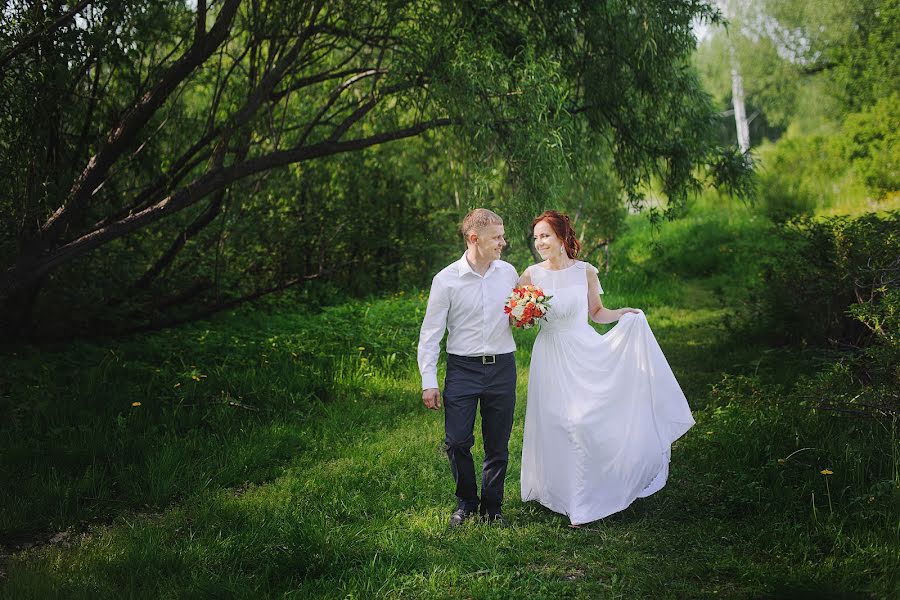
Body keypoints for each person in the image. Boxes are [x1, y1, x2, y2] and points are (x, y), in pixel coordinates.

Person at [519, 210, 695, 526]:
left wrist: (623, 315)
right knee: (559, 422)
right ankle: (565, 494)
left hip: (582, 349)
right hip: (549, 355)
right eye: (536, 238)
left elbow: (596, 312)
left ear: (561, 237)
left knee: (583, 421)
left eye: (545, 235)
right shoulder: (530, 275)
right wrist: (524, 316)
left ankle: (590, 495)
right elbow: (519, 318)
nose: (540, 242)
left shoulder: (585, 271)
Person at [418, 208, 519, 528]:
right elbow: (430, 333)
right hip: (462, 369)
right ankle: (466, 502)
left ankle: (493, 507)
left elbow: (517, 315)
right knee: (458, 440)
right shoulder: (446, 280)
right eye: (497, 237)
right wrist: (428, 380)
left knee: (497, 443)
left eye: (502, 236)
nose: (503, 242)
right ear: (474, 239)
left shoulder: (508, 273)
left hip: (502, 366)